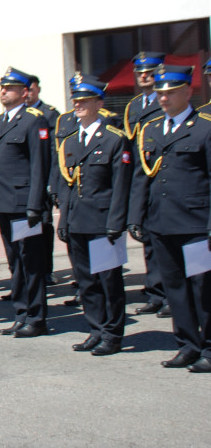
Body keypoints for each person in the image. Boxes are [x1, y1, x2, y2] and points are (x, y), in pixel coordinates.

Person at [128, 65, 211, 372]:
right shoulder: (151, 129)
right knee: (175, 288)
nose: (163, 98)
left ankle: (209, 348)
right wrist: (136, 216)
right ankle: (187, 345)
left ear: (188, 91)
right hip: (161, 223)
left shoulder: (204, 127)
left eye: (170, 93)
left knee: (203, 289)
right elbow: (141, 177)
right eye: (161, 93)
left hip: (196, 224)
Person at [55, 74, 129, 356]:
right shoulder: (71, 141)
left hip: (102, 221)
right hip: (78, 221)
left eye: (85, 100)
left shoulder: (113, 139)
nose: (79, 104)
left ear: (100, 102)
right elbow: (67, 185)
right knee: (86, 280)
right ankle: (95, 329)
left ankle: (112, 333)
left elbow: (121, 185)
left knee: (109, 281)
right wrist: (64, 219)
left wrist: (116, 222)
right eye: (76, 100)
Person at [0, 66, 51, 338]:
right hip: (3, 203)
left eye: (10, 88)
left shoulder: (34, 120)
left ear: (24, 93)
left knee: (31, 262)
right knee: (15, 262)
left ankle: (36, 318)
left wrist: (36, 205)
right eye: (2, 87)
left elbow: (39, 166)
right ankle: (21, 313)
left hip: (24, 205)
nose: (3, 91)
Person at [123, 52, 170, 317]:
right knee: (150, 242)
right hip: (142, 180)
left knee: (169, 245)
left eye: (149, 71)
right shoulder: (134, 106)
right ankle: (155, 292)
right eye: (140, 72)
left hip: (163, 177)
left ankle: (171, 296)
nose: (144, 76)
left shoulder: (165, 103)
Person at [27, 74, 61, 285]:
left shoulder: (49, 114)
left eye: (31, 89)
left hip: (44, 177)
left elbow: (54, 151)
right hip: (25, 181)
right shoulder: (21, 116)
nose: (28, 93)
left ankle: (46, 269)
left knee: (44, 225)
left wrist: (51, 181)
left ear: (38, 89)